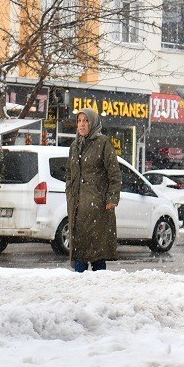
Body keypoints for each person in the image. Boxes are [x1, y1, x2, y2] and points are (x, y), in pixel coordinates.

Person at [66, 107, 121, 272]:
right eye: (79, 121)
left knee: (97, 252)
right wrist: (70, 193)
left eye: (86, 121)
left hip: (98, 207)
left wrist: (112, 199)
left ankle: (99, 286)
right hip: (77, 206)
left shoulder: (103, 143)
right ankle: (80, 284)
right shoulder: (75, 146)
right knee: (79, 249)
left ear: (93, 123)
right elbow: (70, 173)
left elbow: (115, 174)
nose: (82, 125)